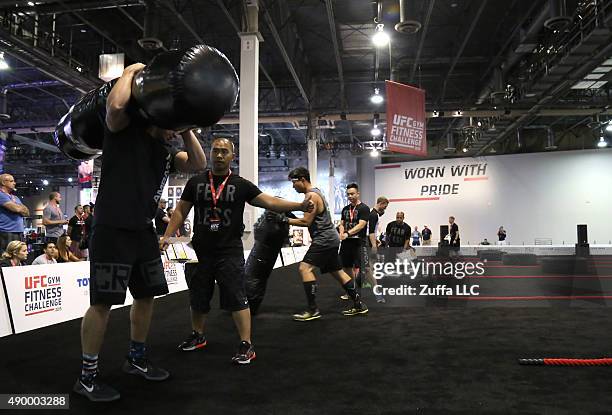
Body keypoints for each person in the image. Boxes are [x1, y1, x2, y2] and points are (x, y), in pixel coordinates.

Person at [74, 62, 207, 402]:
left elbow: (198, 164)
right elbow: (116, 106)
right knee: (102, 303)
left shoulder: (164, 151)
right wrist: (131, 71)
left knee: (146, 296)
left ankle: (136, 358)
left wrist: (187, 129)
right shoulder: (121, 131)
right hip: (112, 227)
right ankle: (87, 377)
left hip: (143, 231)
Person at [160, 138, 314, 364]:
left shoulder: (241, 184)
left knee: (237, 297)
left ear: (233, 156)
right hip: (200, 250)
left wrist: (298, 207)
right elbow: (181, 211)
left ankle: (246, 344)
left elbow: (270, 202)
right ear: (210, 154)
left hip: (229, 251)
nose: (219, 155)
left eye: (224, 152)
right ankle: (198, 335)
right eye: (215, 151)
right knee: (198, 296)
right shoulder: (196, 182)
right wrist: (167, 235)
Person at [286, 167, 369, 321]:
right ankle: (359, 305)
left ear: (303, 179)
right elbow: (310, 218)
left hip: (324, 239)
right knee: (338, 272)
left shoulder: (311, 196)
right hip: (330, 238)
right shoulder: (316, 192)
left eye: (294, 182)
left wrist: (285, 220)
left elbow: (306, 221)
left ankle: (313, 310)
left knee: (305, 268)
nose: (293, 186)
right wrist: (290, 216)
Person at [338, 183, 372, 299]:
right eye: (348, 194)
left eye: (352, 194)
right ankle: (351, 291)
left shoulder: (364, 208)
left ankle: (377, 291)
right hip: (346, 243)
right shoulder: (345, 209)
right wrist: (341, 232)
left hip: (359, 242)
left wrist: (347, 233)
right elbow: (342, 223)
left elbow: (361, 225)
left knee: (365, 268)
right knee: (347, 267)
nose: (350, 196)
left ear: (358, 193)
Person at [366, 196, 389, 303]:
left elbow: (371, 231)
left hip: (369, 240)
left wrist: (375, 240)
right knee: (368, 268)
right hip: (367, 242)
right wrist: (374, 245)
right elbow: (370, 231)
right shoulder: (374, 214)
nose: (385, 208)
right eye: (385, 206)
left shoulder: (372, 213)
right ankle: (378, 294)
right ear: (381, 203)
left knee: (367, 268)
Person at [0, 173, 29, 249]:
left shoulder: (15, 197)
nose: (14, 183)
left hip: (19, 232)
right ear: (3, 183)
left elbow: (27, 212)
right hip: (6, 233)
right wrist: (19, 208)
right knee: (7, 257)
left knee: (18, 256)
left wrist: (19, 208)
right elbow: (16, 209)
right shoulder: (1, 195)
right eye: (11, 181)